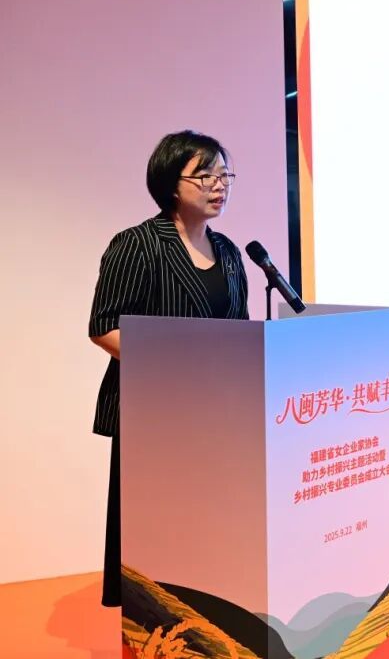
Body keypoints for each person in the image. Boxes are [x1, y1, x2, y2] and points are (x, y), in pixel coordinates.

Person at [88, 131, 249, 606]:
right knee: (157, 540)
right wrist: (175, 369)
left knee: (211, 532)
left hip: (217, 419)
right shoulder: (138, 245)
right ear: (170, 184)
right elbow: (103, 327)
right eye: (205, 175)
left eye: (224, 175)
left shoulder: (230, 253)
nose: (219, 185)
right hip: (154, 416)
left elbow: (238, 330)